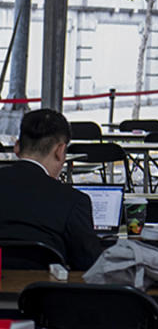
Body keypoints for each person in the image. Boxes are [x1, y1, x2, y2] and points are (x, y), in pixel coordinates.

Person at [0, 109, 102, 269]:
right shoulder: (73, 201)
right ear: (60, 151)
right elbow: (91, 266)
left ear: (17, 147)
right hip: (44, 292)